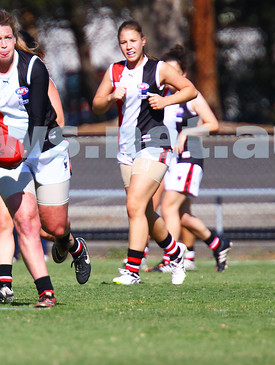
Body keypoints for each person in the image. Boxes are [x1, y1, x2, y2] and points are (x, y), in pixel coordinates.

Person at [0, 11, 89, 308]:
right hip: (6, 157)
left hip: (45, 148)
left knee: (55, 226)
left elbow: (37, 118)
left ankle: (73, 244)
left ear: (15, 38)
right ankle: (46, 293)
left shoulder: (34, 67)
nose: (4, 44)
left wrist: (21, 153)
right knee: (25, 222)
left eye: (8, 37)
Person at [91, 20, 197, 286]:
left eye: (133, 41)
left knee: (134, 206)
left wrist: (165, 100)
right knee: (145, 212)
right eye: (124, 42)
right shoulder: (115, 71)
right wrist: (111, 96)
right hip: (126, 149)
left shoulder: (158, 68)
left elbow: (190, 90)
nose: (129, 46)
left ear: (143, 41)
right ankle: (176, 252)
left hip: (155, 143)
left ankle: (132, 270)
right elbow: (96, 105)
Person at [150, 45, 232, 273]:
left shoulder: (192, 96)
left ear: (183, 75)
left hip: (189, 159)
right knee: (183, 216)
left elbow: (213, 124)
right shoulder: (162, 97)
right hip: (173, 161)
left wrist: (187, 132)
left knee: (168, 208)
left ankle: (172, 260)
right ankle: (218, 244)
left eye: (175, 72)